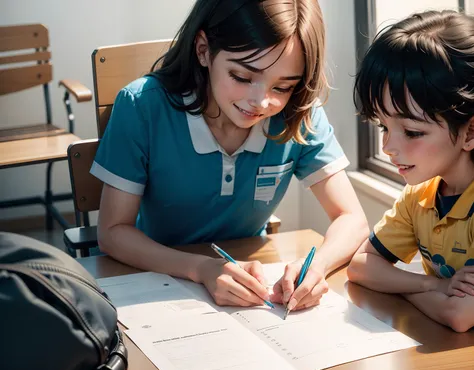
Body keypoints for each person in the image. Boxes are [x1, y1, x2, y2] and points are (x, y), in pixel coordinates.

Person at [91, 0, 368, 311]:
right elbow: (113, 233)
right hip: (153, 280)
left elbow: (352, 219)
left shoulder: (299, 114)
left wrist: (316, 267)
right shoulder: (142, 106)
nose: (261, 102)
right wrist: (201, 269)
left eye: (283, 87)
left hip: (251, 284)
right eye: (242, 77)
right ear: (203, 50)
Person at [348, 9, 474, 334]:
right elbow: (361, 266)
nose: (389, 147)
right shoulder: (420, 196)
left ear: (470, 132)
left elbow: (459, 315)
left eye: (412, 132)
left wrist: (403, 285)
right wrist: (431, 286)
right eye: (383, 127)